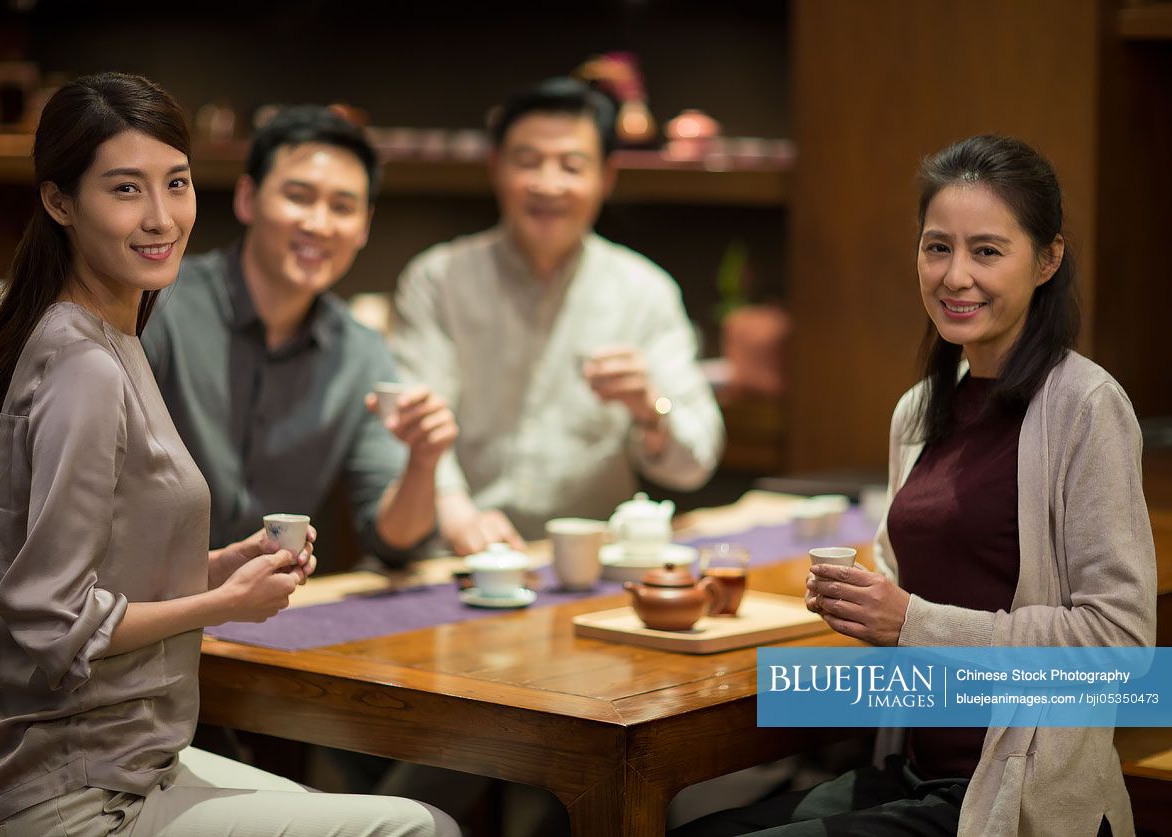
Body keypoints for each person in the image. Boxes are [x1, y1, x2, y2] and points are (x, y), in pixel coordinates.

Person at [0, 72, 457, 837]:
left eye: (177, 183)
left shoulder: (116, 336)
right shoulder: (91, 361)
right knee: (415, 826)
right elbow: (46, 620)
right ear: (60, 203)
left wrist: (222, 564)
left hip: (140, 754)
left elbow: (106, 563)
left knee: (407, 809)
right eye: (125, 189)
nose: (160, 216)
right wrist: (224, 603)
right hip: (81, 786)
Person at [671, 135, 1156, 836]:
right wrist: (858, 612)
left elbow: (1116, 649)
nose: (955, 275)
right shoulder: (918, 410)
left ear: (1046, 258)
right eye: (937, 248)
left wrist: (909, 620)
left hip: (1013, 794)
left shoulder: (1084, 406)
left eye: (986, 250)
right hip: (911, 768)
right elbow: (915, 605)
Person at [390, 77, 725, 554]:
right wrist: (457, 512)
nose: (548, 185)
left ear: (606, 178)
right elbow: (414, 424)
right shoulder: (438, 281)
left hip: (592, 565)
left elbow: (695, 463)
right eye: (527, 163)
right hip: (455, 559)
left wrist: (651, 406)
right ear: (495, 168)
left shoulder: (644, 292)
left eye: (572, 166)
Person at [142, 105, 456, 565]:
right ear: (247, 198)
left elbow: (392, 538)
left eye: (343, 207)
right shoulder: (158, 306)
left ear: (364, 226)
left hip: (275, 612)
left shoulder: (361, 352)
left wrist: (424, 462)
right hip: (144, 601)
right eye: (299, 196)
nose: (319, 224)